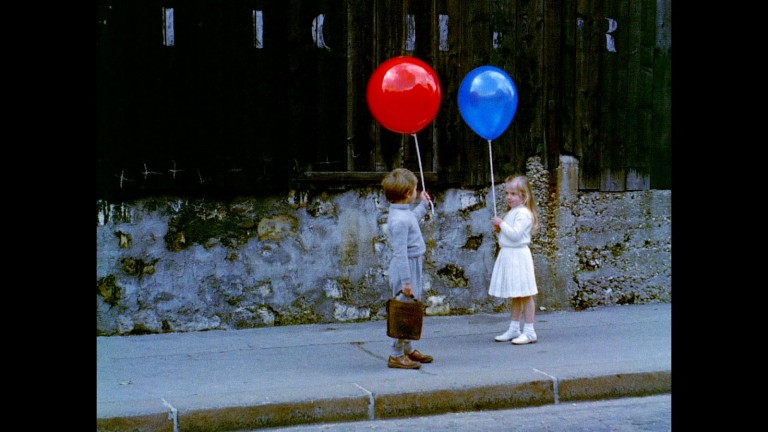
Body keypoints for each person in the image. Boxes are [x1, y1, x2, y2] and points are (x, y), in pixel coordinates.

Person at [381, 168, 435, 369]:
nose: (416, 191)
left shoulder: (402, 212)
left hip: (413, 264)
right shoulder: (399, 221)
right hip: (406, 267)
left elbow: (413, 217)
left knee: (411, 309)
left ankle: (408, 349)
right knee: (403, 310)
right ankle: (396, 354)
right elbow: (400, 253)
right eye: (415, 189)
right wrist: (406, 282)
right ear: (406, 194)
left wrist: (423, 204)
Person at [488, 175, 541, 345]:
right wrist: (499, 229)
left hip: (519, 256)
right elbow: (507, 236)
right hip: (510, 255)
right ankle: (514, 328)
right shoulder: (513, 212)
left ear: (524, 196)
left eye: (514, 194)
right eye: (507, 193)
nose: (509, 197)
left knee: (525, 293)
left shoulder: (524, 214)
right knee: (516, 294)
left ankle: (530, 330)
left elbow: (516, 234)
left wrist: (502, 224)